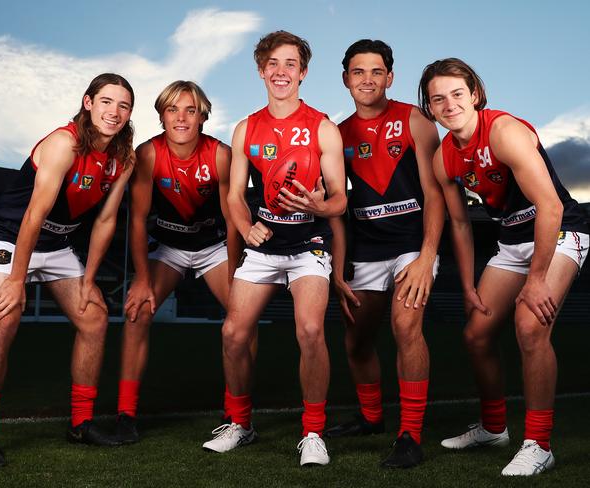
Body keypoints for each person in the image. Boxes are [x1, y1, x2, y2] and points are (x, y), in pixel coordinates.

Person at [418, 58, 588, 476]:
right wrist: (467, 284)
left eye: (457, 94)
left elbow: (549, 206)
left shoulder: (504, 132)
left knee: (529, 327)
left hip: (560, 229)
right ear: (431, 108)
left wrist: (535, 280)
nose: (449, 104)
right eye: (438, 98)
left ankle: (539, 444)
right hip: (512, 239)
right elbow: (459, 222)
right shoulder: (444, 158)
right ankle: (494, 428)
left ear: (474, 94)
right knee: (476, 334)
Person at [0, 73, 136, 468]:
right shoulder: (64, 143)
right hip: (12, 237)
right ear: (88, 102)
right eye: (107, 101)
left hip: (58, 244)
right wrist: (16, 280)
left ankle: (80, 423)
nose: (114, 112)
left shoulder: (124, 158)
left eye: (123, 105)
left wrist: (89, 279)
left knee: (94, 318)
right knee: (4, 318)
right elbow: (34, 214)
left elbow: (107, 220)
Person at [202, 30, 346, 466]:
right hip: (264, 245)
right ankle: (241, 424)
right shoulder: (246, 127)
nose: (281, 72)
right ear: (262, 70)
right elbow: (232, 197)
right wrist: (246, 228)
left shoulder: (322, 127)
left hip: (309, 243)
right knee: (232, 333)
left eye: (290, 64)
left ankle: (314, 432)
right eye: (273, 64)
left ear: (302, 73)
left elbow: (340, 199)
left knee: (309, 330)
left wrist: (321, 204)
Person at [325, 40, 443, 468]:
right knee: (356, 341)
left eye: (377, 72)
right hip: (366, 251)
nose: (368, 79)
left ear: (390, 77)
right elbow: (336, 208)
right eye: (359, 72)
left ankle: (410, 434)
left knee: (405, 326)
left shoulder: (415, 120)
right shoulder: (336, 135)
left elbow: (436, 196)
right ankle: (372, 418)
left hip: (411, 247)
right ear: (345, 80)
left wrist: (427, 257)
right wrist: (338, 269)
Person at [115, 80, 240, 444]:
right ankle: (125, 413)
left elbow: (234, 221)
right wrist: (141, 279)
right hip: (168, 246)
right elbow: (137, 220)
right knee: (137, 312)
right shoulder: (148, 154)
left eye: (190, 110)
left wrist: (235, 272)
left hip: (214, 245)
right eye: (173, 110)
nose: (181, 118)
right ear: (161, 116)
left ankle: (237, 411)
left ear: (203, 116)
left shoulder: (221, 154)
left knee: (241, 316)